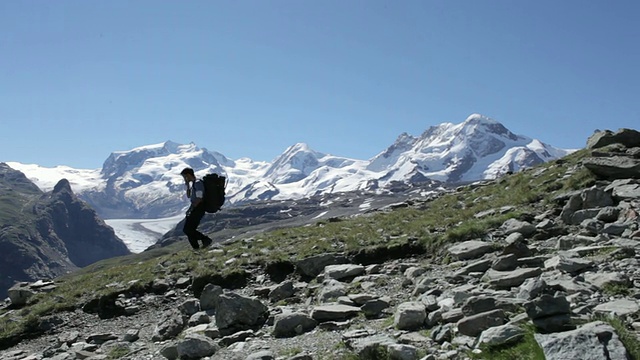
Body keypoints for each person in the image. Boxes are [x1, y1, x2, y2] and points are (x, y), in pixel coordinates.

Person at [180, 167, 213, 249]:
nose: (184, 178)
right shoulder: (194, 184)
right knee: (189, 229)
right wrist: (187, 185)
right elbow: (188, 196)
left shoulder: (198, 183)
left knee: (188, 229)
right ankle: (197, 246)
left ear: (188, 175)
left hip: (198, 208)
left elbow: (199, 198)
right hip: (196, 208)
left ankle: (204, 240)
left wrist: (192, 208)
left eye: (184, 176)